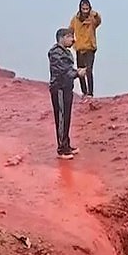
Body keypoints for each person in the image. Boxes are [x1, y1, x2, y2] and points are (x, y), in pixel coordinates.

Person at [47, 27, 86, 159]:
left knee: (67, 117)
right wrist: (77, 73)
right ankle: (62, 149)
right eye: (70, 37)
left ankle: (66, 145)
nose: (72, 40)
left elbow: (68, 69)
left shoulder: (67, 52)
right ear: (62, 37)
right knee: (62, 118)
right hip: (59, 88)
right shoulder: (55, 52)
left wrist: (76, 72)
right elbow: (63, 70)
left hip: (67, 88)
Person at [69, 0, 102, 98]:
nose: (85, 10)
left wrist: (95, 14)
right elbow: (70, 30)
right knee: (80, 71)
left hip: (90, 48)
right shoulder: (75, 19)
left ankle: (90, 93)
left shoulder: (92, 19)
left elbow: (98, 21)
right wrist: (72, 41)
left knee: (89, 70)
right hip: (79, 48)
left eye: (87, 8)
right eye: (83, 8)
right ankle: (84, 91)